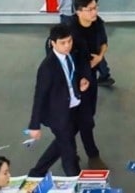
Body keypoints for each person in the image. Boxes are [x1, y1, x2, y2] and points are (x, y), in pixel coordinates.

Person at [27, 23, 91, 176]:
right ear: (53, 43)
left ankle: (37, 173)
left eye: (69, 41)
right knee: (69, 153)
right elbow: (39, 96)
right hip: (58, 114)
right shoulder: (47, 67)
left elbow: (73, 75)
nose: (67, 45)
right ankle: (75, 181)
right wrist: (34, 125)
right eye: (63, 43)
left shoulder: (71, 55)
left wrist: (81, 81)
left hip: (74, 106)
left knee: (63, 142)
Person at [69, 0, 108, 160]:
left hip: (91, 73)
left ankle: (66, 145)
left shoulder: (97, 23)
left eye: (95, 8)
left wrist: (100, 57)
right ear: (79, 11)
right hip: (76, 77)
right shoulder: (70, 30)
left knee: (89, 112)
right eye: (90, 9)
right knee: (85, 118)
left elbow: (104, 43)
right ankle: (90, 153)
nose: (94, 12)